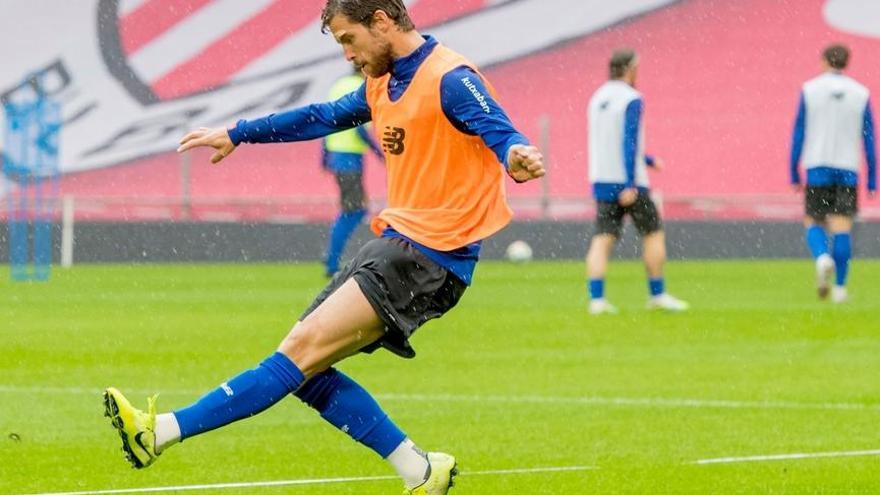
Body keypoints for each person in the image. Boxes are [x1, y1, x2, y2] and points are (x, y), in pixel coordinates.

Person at [102, 1, 545, 494]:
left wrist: (515, 154)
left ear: (381, 20)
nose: (348, 54)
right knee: (305, 373)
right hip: (397, 245)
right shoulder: (384, 81)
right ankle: (420, 470)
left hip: (429, 256)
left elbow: (500, 130)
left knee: (295, 355)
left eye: (348, 39)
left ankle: (159, 432)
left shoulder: (450, 78)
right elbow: (322, 116)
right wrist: (237, 132)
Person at [585, 49, 688, 315]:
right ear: (630, 69)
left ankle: (596, 299)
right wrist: (630, 182)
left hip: (602, 180)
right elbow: (628, 139)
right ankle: (658, 294)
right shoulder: (632, 98)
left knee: (602, 238)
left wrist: (648, 159)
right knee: (652, 233)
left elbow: (610, 141)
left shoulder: (596, 99)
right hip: (630, 182)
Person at [790, 43, 876, 303]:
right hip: (848, 168)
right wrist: (873, 176)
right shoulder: (860, 93)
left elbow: (799, 132)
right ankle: (839, 289)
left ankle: (821, 257)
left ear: (825, 60)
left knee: (813, 221)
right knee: (842, 228)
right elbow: (869, 137)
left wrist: (793, 170)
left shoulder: (810, 89)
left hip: (817, 166)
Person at [321, 69, 384, 277]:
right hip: (349, 160)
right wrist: (381, 154)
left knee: (353, 208)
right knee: (354, 210)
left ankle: (331, 256)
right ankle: (331, 260)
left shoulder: (338, 85)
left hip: (337, 157)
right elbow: (358, 128)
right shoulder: (361, 88)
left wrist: (324, 156)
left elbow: (327, 122)